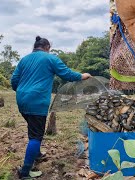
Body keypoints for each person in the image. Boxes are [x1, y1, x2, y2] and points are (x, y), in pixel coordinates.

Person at [11, 36, 92, 178]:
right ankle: (25, 171)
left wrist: (23, 91)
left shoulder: (24, 59)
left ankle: (37, 154)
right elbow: (66, 74)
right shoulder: (50, 59)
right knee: (36, 136)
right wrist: (82, 75)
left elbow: (14, 81)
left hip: (21, 99)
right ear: (47, 47)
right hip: (37, 101)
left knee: (33, 128)